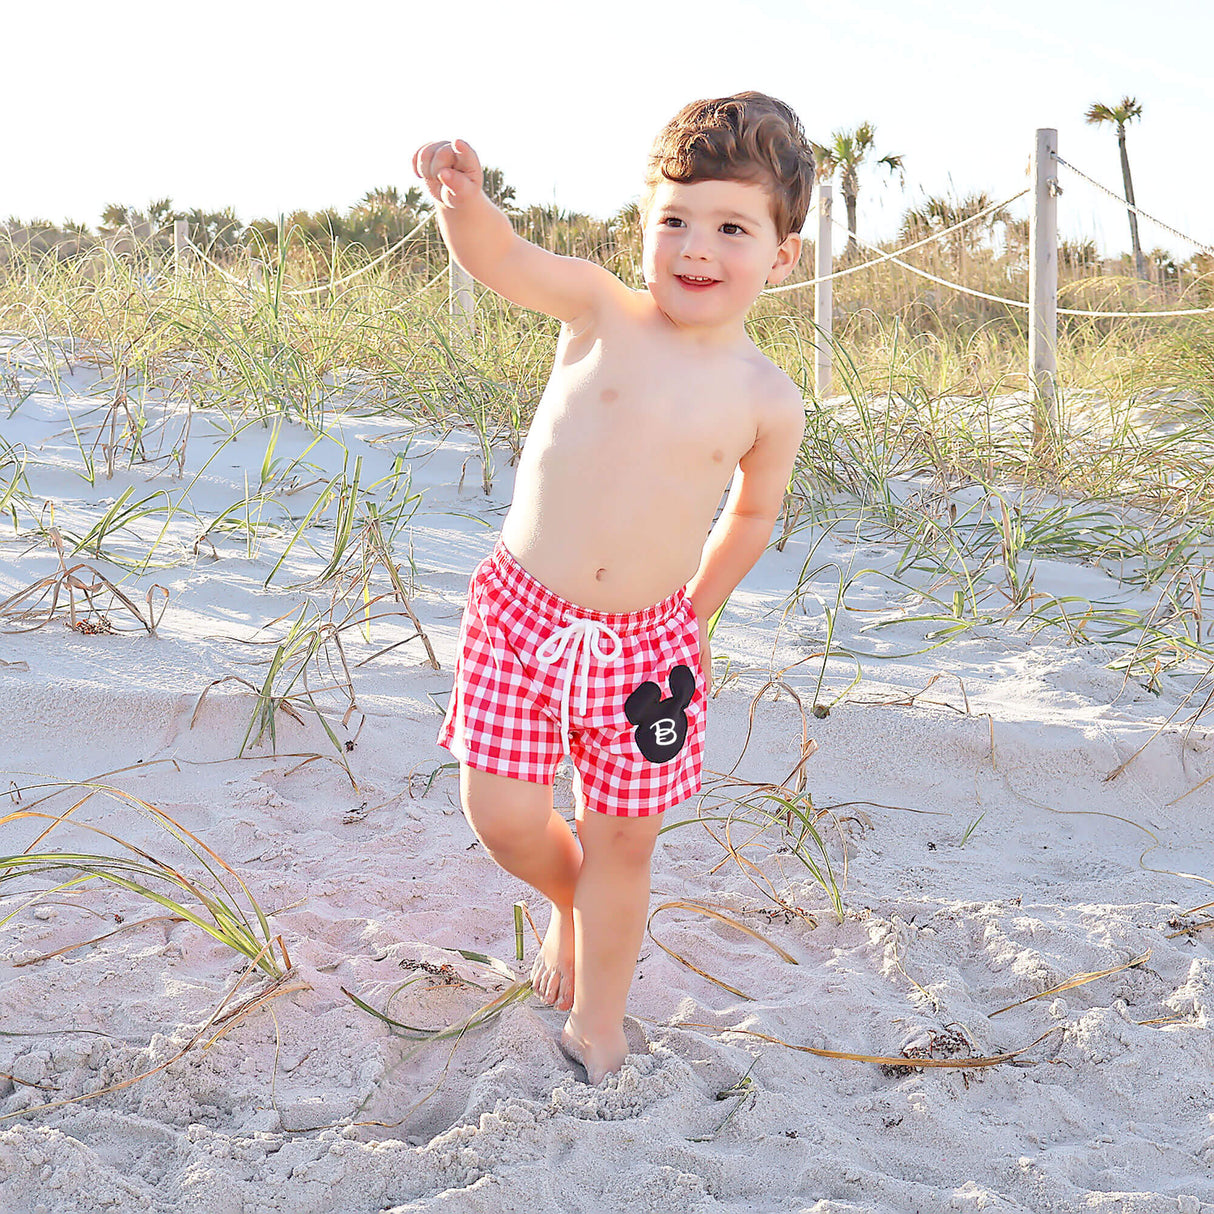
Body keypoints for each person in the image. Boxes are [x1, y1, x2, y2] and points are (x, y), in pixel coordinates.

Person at [415, 92, 814, 1084]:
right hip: (522, 614)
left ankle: (599, 1021)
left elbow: (751, 516)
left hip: (647, 649)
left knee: (623, 844)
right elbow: (503, 259)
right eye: (674, 219)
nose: (696, 247)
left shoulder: (766, 398)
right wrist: (463, 202)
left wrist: (697, 613)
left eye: (731, 228)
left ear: (782, 256)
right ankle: (567, 894)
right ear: (643, 227)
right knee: (505, 817)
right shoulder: (600, 309)